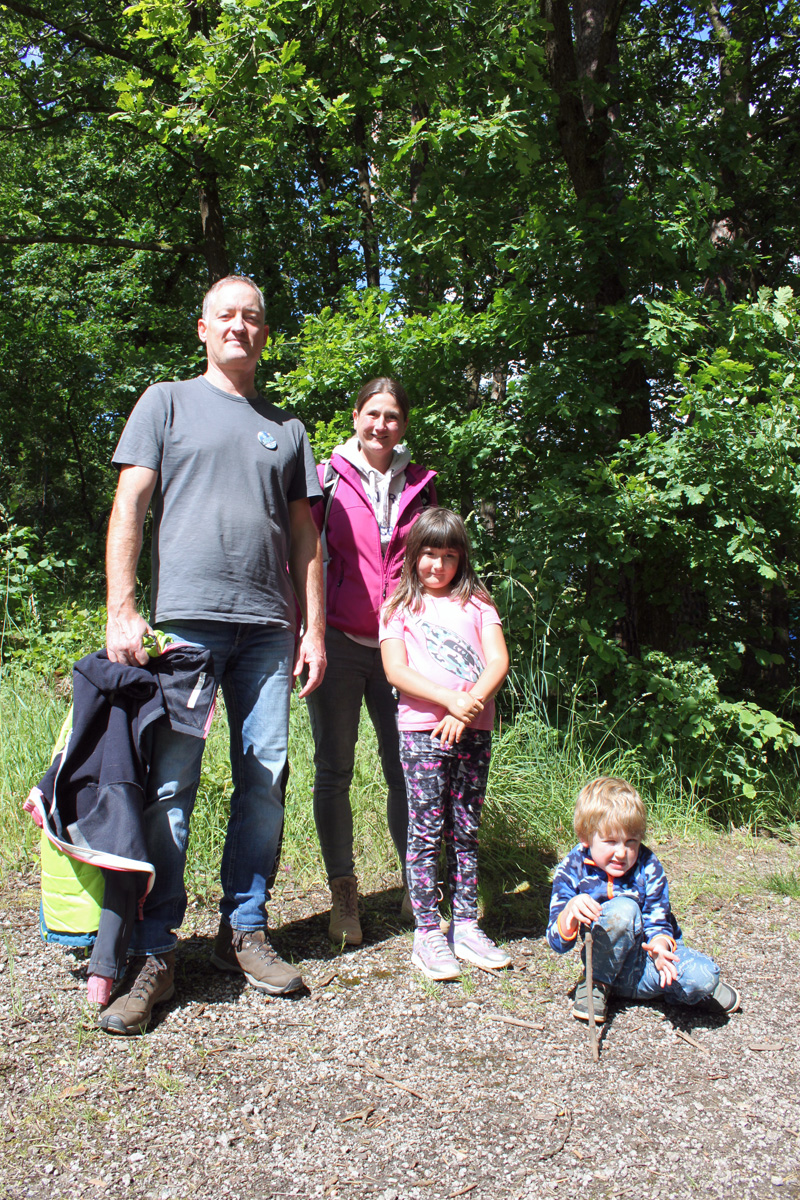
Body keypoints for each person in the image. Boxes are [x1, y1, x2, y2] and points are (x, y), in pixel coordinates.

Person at [100, 274, 325, 1034]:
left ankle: (245, 930)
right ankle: (155, 950)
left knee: (264, 780)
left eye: (253, 317)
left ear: (266, 333)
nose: (240, 326)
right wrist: (122, 606)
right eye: (227, 315)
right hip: (186, 629)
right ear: (202, 327)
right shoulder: (165, 401)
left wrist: (314, 628)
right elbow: (130, 502)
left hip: (268, 630)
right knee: (172, 789)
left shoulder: (286, 428)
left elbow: (306, 539)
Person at [307, 378, 436, 946]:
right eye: (373, 414)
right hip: (336, 642)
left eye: (393, 416)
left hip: (400, 651)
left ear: (403, 424)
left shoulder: (424, 488)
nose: (381, 425)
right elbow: (302, 554)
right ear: (356, 416)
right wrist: (304, 633)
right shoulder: (327, 478)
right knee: (333, 771)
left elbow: (437, 566)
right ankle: (345, 894)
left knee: (404, 769)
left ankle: (416, 884)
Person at [380, 508, 510, 981]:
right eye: (429, 554)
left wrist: (468, 706)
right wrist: (450, 702)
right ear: (414, 555)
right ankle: (428, 931)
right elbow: (397, 671)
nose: (438, 565)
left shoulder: (478, 603)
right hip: (421, 730)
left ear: (462, 560)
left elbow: (498, 661)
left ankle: (467, 925)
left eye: (449, 556)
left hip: (473, 729)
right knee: (426, 829)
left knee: (466, 827)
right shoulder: (398, 607)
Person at [547, 776, 741, 1022]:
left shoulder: (648, 865)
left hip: (648, 963)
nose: (621, 852)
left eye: (631, 842)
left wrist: (661, 949)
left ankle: (671, 990)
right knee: (623, 909)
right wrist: (570, 913)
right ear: (585, 837)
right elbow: (556, 942)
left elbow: (659, 921)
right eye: (610, 842)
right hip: (603, 964)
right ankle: (596, 985)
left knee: (704, 977)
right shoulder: (572, 867)